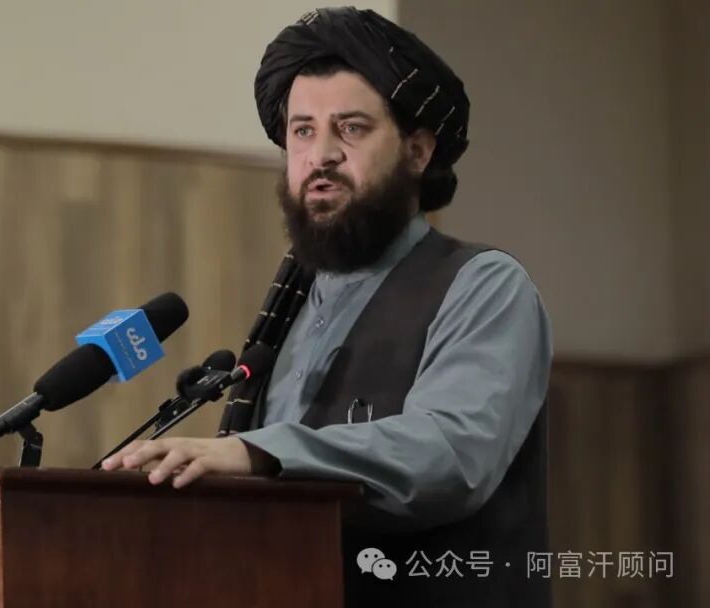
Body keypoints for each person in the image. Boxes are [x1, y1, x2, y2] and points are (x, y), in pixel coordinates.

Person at [101, 7, 551, 606]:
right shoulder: (289, 308)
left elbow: (449, 453)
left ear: (418, 151)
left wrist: (256, 453)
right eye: (303, 132)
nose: (321, 155)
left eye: (352, 129)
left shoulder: (483, 285)